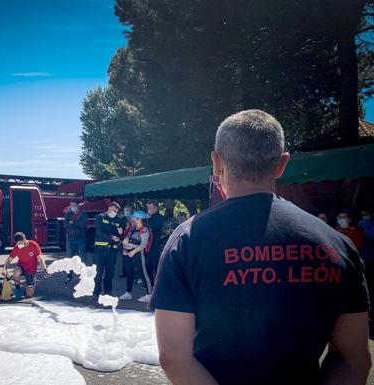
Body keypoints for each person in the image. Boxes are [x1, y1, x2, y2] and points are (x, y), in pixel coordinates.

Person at [151, 110, 370, 385]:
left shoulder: (186, 241)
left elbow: (173, 357)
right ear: (282, 164)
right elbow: (354, 359)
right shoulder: (338, 244)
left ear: (216, 162)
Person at [2, 232, 48, 298]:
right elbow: (9, 259)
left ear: (24, 240)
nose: (18, 245)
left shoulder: (34, 245)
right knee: (16, 271)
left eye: (20, 243)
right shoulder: (17, 247)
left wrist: (44, 269)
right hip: (21, 267)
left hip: (31, 270)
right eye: (17, 244)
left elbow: (40, 259)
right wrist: (4, 269)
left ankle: (28, 287)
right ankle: (18, 290)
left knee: (29, 295)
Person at [120, 211, 153, 302]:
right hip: (127, 253)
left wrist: (133, 252)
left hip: (139, 254)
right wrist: (124, 247)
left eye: (134, 217)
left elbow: (143, 244)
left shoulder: (144, 229)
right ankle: (128, 293)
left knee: (143, 274)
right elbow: (126, 240)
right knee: (129, 273)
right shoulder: (132, 228)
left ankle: (149, 295)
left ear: (139, 219)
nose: (131, 219)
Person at [93, 202, 122, 296]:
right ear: (109, 208)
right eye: (114, 210)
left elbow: (119, 233)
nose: (115, 212)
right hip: (100, 250)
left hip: (112, 251)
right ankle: (96, 292)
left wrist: (119, 237)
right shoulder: (100, 217)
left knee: (110, 273)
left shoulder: (117, 220)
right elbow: (99, 231)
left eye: (116, 211)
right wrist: (111, 237)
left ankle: (108, 293)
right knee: (98, 273)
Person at [64, 200, 87, 283]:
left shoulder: (83, 214)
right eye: (71, 206)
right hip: (70, 239)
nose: (72, 207)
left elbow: (83, 225)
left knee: (81, 258)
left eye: (74, 205)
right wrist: (76, 223)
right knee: (69, 258)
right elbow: (66, 225)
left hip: (80, 239)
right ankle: (69, 277)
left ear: (77, 206)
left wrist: (72, 222)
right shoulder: (68, 214)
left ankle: (82, 276)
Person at [146, 200, 165, 283]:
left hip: (155, 245)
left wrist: (148, 220)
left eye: (151, 208)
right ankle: (150, 283)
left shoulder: (159, 217)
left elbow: (151, 228)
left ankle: (159, 284)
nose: (149, 210)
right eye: (148, 208)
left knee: (156, 266)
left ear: (156, 208)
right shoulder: (146, 217)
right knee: (147, 265)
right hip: (146, 246)